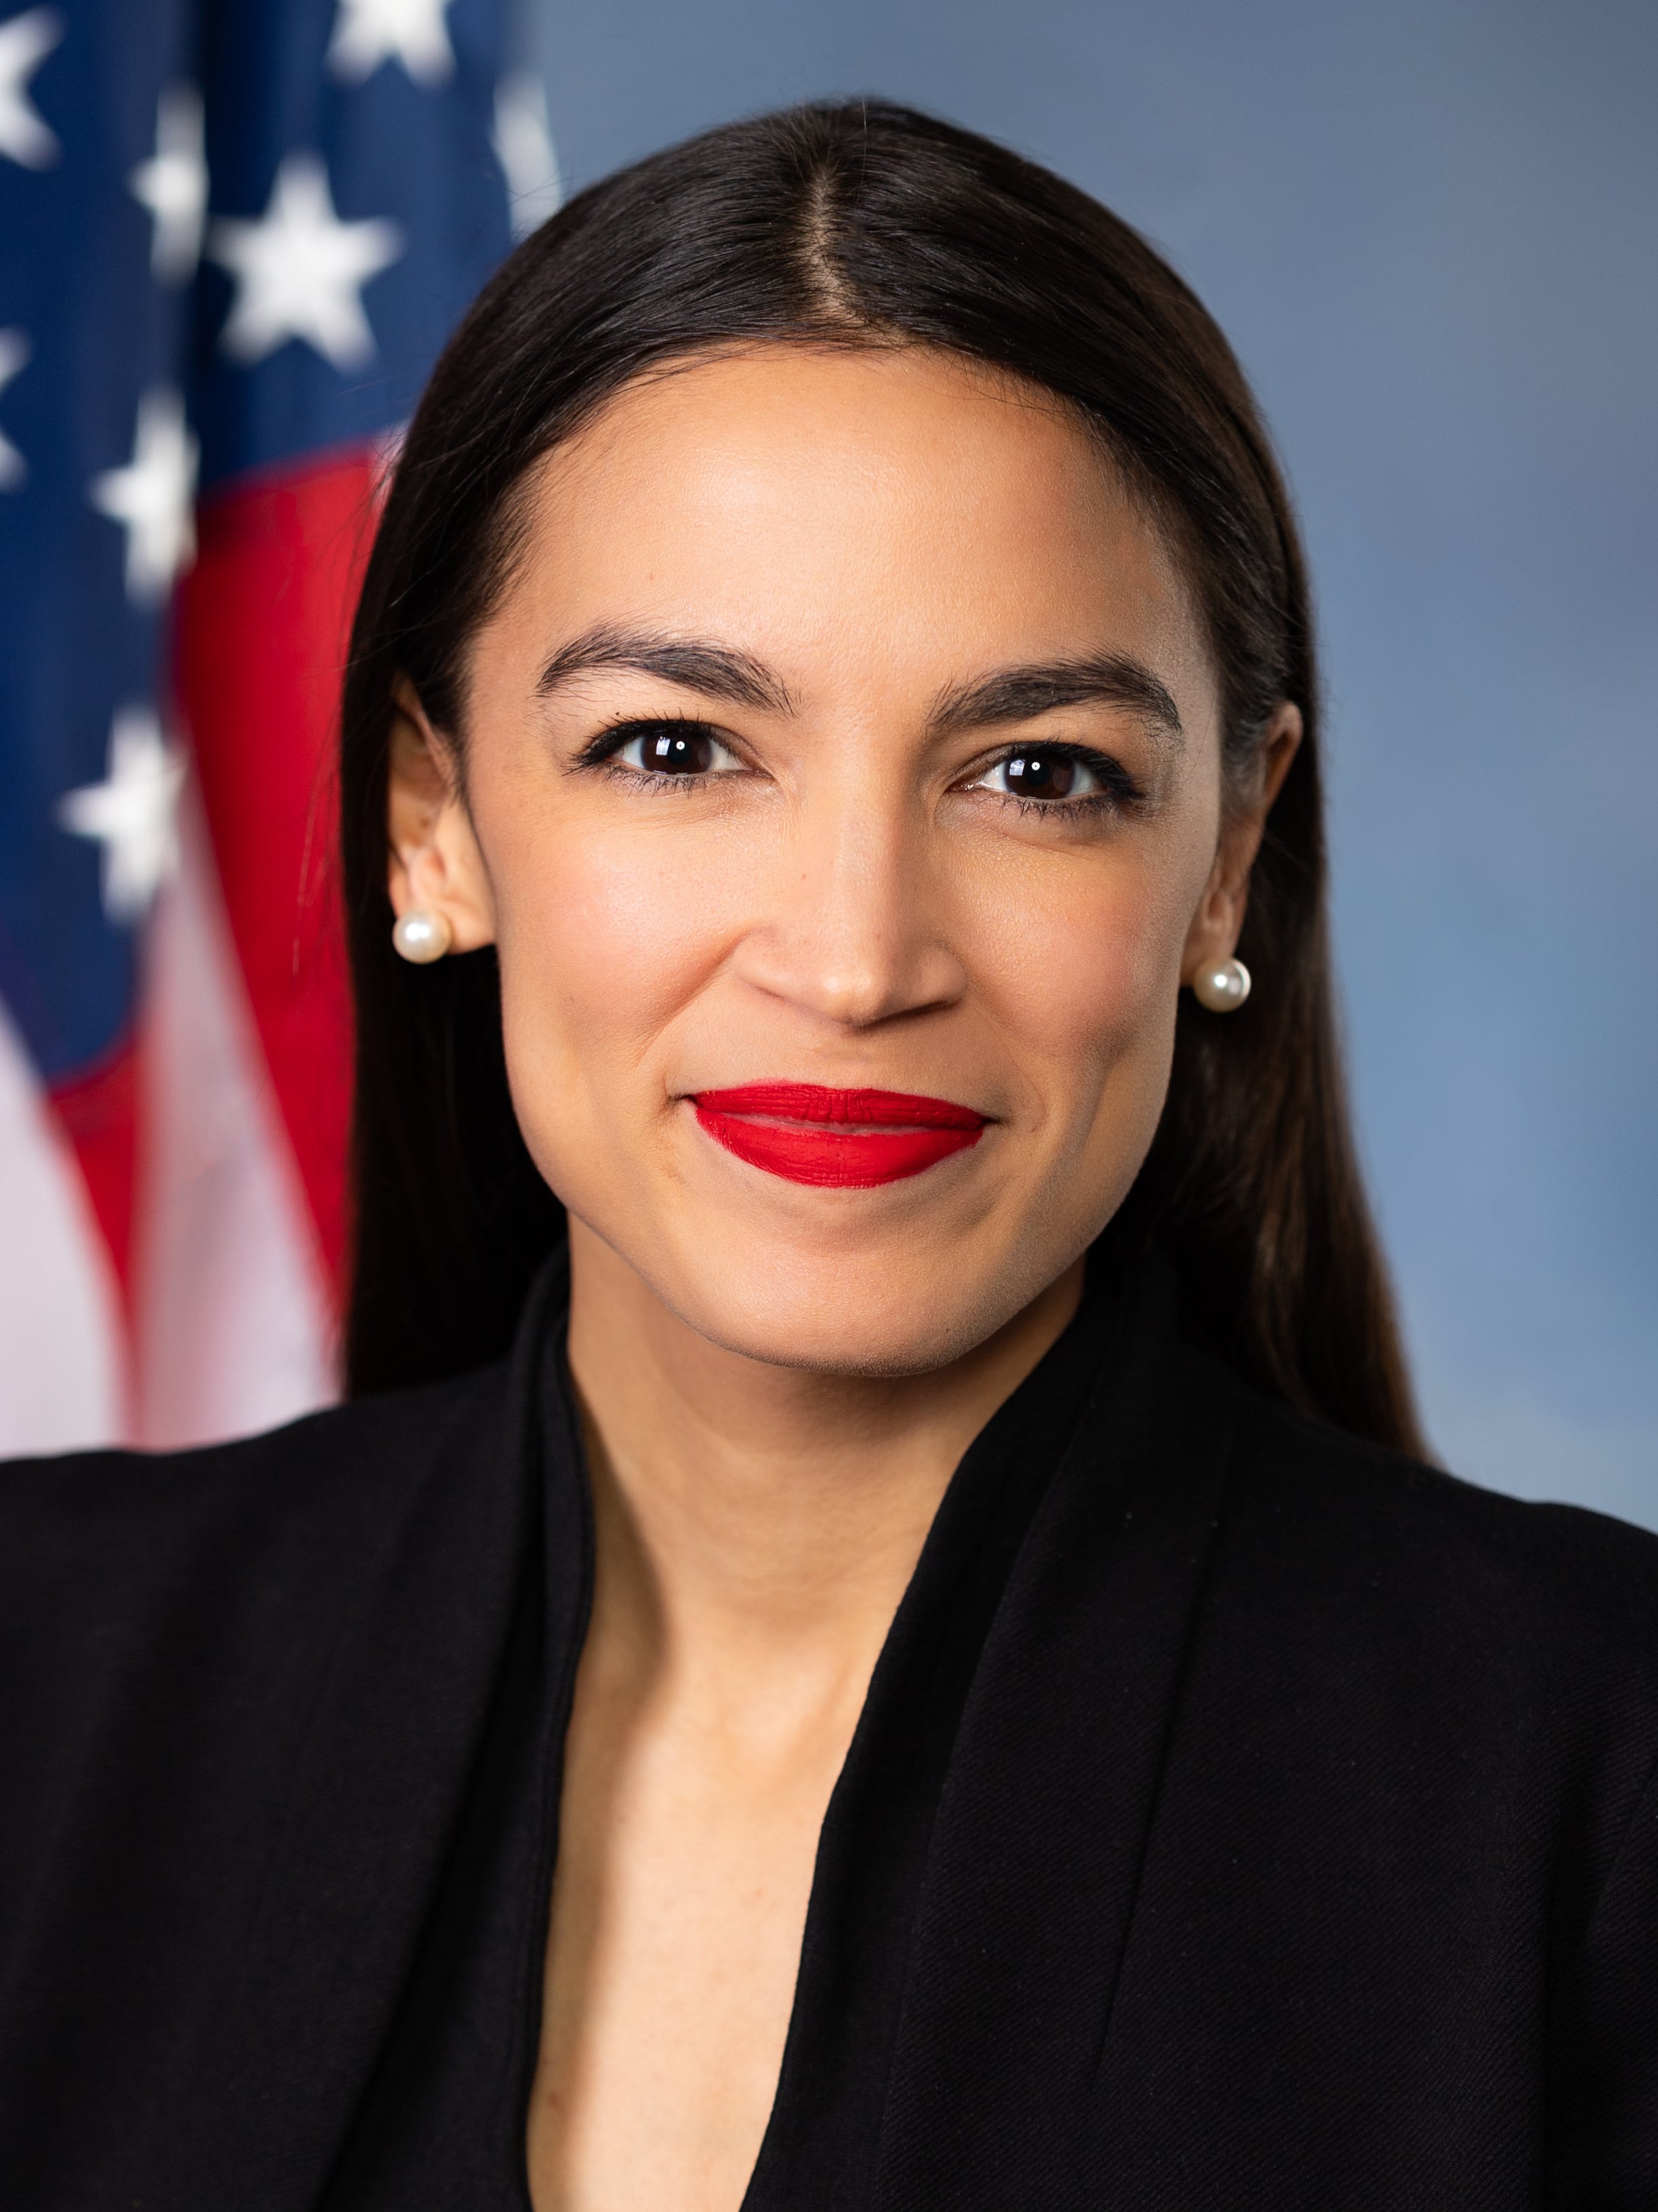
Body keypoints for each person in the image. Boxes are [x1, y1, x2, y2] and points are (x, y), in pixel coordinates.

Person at [1, 98, 1653, 2212]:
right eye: (677, 749)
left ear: (1224, 861)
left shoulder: (1594, 1783)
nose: (855, 956)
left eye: (1035, 773)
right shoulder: (36, 1694)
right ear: (433, 816)